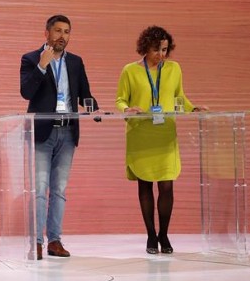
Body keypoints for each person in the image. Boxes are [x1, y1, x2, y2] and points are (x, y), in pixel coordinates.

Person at [115, 25, 207, 255]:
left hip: (165, 133)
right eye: (157, 49)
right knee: (145, 185)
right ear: (145, 47)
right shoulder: (130, 70)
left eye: (165, 49)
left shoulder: (174, 69)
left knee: (166, 186)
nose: (161, 55)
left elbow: (179, 96)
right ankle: (150, 235)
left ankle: (164, 234)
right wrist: (127, 109)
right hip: (140, 134)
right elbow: (120, 100)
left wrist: (192, 108)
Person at [20, 14, 99, 260]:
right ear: (47, 33)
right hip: (42, 132)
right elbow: (26, 92)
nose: (62, 36)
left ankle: (54, 240)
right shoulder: (31, 59)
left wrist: (95, 109)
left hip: (67, 132)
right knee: (40, 189)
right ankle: (37, 242)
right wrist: (42, 66)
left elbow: (85, 94)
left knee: (60, 190)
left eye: (66, 32)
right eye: (57, 31)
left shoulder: (75, 62)